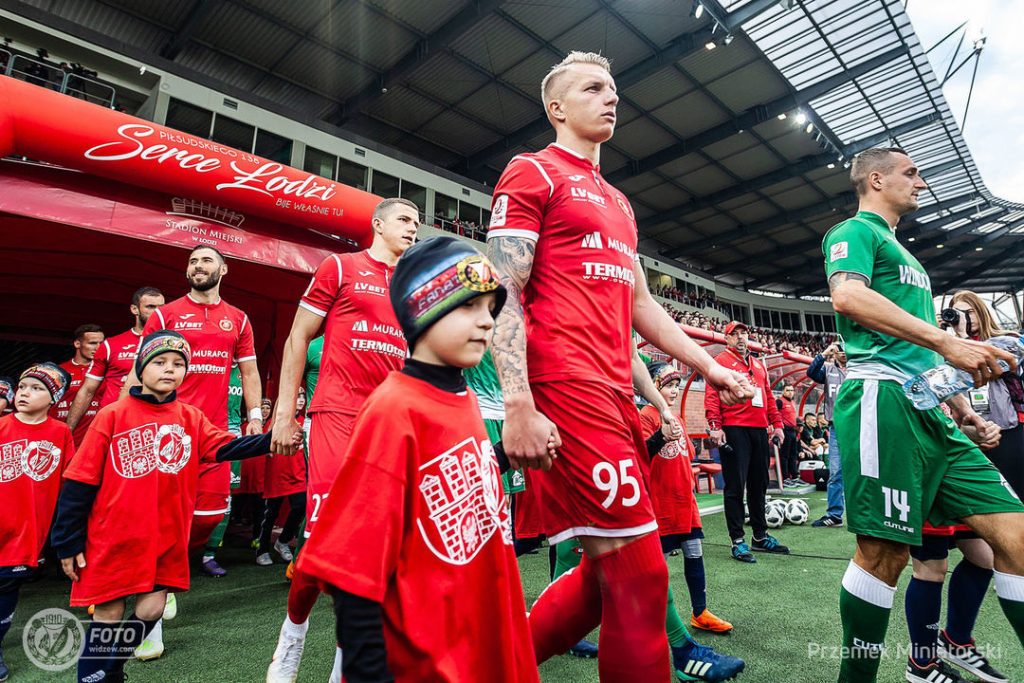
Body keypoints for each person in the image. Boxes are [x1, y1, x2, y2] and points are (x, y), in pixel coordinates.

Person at [486, 51, 753, 681]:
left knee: (604, 574)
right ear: (556, 107)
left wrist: (710, 367)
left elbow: (643, 307)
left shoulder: (620, 203)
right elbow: (502, 289)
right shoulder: (532, 171)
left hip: (615, 393)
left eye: (613, 89)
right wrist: (518, 401)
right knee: (641, 570)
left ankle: (487, 669)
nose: (611, 98)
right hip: (565, 384)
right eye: (593, 88)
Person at [822, 147, 1024, 683]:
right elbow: (848, 297)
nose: (921, 182)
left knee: (1017, 537)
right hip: (880, 400)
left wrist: (962, 412)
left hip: (930, 411)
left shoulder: (906, 257)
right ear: (876, 178)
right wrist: (946, 341)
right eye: (911, 173)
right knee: (883, 555)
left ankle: (943, 651)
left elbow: (921, 357)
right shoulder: (855, 232)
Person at [297, 236, 539, 682]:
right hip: (428, 660)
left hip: (476, 639)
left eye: (491, 309)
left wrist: (506, 456)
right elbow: (354, 572)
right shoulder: (395, 409)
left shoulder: (464, 397)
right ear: (424, 307)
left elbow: (450, 480)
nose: (486, 322)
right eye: (469, 305)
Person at [51, 331, 298, 683]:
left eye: (179, 364)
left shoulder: (190, 417)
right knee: (108, 612)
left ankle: (113, 667)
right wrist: (67, 542)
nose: (170, 369)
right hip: (113, 536)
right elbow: (79, 482)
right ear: (141, 368)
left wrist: (272, 439)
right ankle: (92, 677)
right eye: (160, 362)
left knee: (152, 608)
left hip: (164, 536)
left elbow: (226, 447)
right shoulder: (112, 415)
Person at [266, 198, 419, 683]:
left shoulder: (415, 286)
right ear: (378, 224)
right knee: (324, 539)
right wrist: (284, 413)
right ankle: (292, 634)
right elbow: (297, 337)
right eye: (404, 220)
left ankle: (343, 663)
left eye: (417, 223)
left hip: (389, 424)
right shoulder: (340, 267)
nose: (413, 229)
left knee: (373, 549)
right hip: (336, 414)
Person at [128, 245, 262, 659]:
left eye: (206, 261)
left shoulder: (238, 318)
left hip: (214, 435)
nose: (198, 266)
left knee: (208, 516)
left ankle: (169, 569)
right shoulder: (166, 315)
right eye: (192, 261)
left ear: (224, 269)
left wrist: (256, 417)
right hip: (166, 431)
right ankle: (153, 615)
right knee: (157, 523)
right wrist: (124, 414)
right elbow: (140, 367)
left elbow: (249, 371)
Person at [0, 364, 75, 683]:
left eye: (36, 388)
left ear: (54, 398)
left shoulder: (60, 433)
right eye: (23, 386)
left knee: (6, 589)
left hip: (25, 533)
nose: (25, 393)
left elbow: (69, 483)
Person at [705, 321, 790, 564]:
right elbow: (712, 395)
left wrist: (778, 424)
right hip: (734, 429)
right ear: (727, 338)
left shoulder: (758, 364)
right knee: (735, 486)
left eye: (744, 333)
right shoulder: (720, 361)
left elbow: (768, 396)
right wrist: (715, 426)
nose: (741, 337)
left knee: (759, 484)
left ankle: (760, 536)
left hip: (759, 430)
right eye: (735, 334)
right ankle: (737, 540)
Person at [66, 287, 165, 433]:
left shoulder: (174, 344)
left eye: (161, 307)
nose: (157, 312)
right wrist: (68, 431)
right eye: (150, 307)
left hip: (155, 421)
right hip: (113, 422)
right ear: (134, 309)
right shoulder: (110, 345)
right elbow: (87, 390)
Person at [257, 395, 307, 567]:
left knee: (301, 506)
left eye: (303, 397)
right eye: (297, 396)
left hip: (298, 474)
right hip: (278, 473)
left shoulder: (305, 422)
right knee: (271, 513)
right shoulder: (277, 423)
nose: (301, 400)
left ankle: (283, 540)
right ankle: (262, 549)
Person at [807, 341, 848, 527]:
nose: (844, 352)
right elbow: (811, 373)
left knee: (864, 471)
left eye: (847, 349)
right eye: (840, 349)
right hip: (836, 426)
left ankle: (869, 515)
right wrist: (824, 354)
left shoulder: (859, 369)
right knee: (835, 472)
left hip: (858, 426)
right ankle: (834, 514)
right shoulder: (828, 369)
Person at [53, 323, 104, 444]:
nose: (98, 348)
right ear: (77, 344)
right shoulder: (58, 371)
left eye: (101, 343)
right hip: (60, 438)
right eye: (92, 343)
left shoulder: (108, 373)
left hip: (94, 441)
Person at [776, 383, 800, 487]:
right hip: (784, 430)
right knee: (784, 455)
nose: (790, 392)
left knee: (793, 454)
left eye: (792, 390)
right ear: (783, 391)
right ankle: (785, 478)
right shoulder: (779, 401)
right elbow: (774, 414)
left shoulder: (792, 402)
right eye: (787, 390)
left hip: (793, 431)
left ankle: (794, 477)